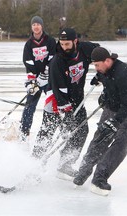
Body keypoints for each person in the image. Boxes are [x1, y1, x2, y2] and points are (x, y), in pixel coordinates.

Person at [33, 28, 99, 180]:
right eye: (61, 44)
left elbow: (101, 53)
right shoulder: (57, 61)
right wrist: (67, 113)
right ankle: (35, 163)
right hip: (56, 99)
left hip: (77, 98)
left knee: (81, 130)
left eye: (67, 44)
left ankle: (65, 164)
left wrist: (100, 73)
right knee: (47, 132)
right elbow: (58, 90)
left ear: (76, 41)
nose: (64, 47)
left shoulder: (85, 49)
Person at [73, 47, 127, 196]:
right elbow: (105, 79)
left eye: (97, 65)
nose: (96, 68)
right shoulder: (105, 70)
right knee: (100, 137)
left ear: (108, 61)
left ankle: (99, 178)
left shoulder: (124, 74)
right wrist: (99, 82)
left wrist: (116, 122)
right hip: (111, 107)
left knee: (120, 144)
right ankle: (83, 171)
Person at [19, 16, 56, 142]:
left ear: (42, 26)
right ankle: (24, 132)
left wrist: (45, 73)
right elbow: (28, 62)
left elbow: (53, 58)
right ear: (31, 27)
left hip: (49, 79)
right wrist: (32, 81)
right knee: (29, 105)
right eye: (33, 24)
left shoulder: (50, 41)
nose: (36, 26)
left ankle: (51, 130)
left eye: (38, 24)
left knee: (54, 103)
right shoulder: (29, 44)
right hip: (36, 80)